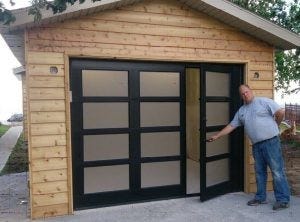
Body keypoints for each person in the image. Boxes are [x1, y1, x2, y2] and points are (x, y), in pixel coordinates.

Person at [208, 84, 290, 211]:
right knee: (259, 172)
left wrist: (276, 124)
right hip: (257, 145)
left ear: (250, 91)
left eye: (246, 92)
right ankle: (260, 197)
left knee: (277, 171)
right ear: (241, 96)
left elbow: (280, 112)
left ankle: (283, 200)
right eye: (242, 94)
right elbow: (231, 125)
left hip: (271, 142)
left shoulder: (263, 102)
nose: (245, 95)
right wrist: (217, 136)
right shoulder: (242, 111)